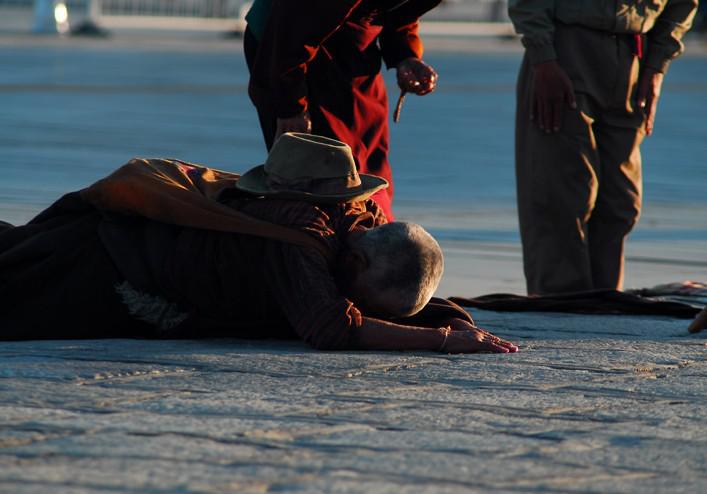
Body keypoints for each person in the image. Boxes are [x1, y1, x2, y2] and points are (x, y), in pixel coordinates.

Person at [0, 133, 518, 354]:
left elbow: (390, 290)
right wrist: (441, 342)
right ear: (355, 256)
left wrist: (451, 319)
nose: (353, 299)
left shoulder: (362, 220)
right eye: (358, 291)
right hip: (105, 263)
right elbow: (330, 326)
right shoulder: (298, 234)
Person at [508, 0, 698, 295]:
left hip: (635, 53)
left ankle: (604, 300)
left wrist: (657, 64)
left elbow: (683, 4)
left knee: (620, 199)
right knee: (564, 191)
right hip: (566, 48)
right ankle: (559, 301)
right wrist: (543, 57)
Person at [243, 0, 441, 221]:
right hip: (284, 42)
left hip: (352, 39)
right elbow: (291, 32)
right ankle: (322, 237)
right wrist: (290, 107)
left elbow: (400, 12)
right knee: (321, 166)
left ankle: (368, 228)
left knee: (368, 159)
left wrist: (405, 54)